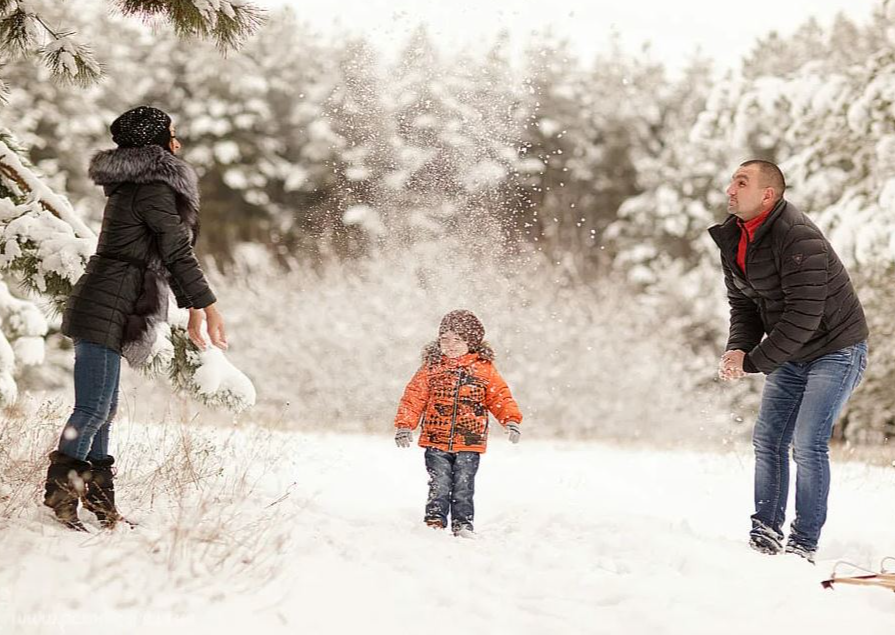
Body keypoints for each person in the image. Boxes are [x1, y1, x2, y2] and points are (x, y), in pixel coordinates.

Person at [43, 106, 227, 531]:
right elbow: (177, 252)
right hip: (107, 301)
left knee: (104, 409)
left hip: (118, 301)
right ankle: (60, 492)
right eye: (171, 133)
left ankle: (100, 498)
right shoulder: (152, 190)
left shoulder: (139, 187)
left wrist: (194, 308)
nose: (177, 141)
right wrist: (208, 306)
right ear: (156, 142)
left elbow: (167, 255)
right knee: (92, 408)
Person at [710, 159, 868, 563]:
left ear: (768, 194)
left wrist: (755, 362)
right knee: (768, 440)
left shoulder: (797, 237)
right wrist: (739, 348)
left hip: (836, 349)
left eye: (741, 182)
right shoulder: (736, 237)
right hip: (792, 351)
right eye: (732, 180)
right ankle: (765, 533)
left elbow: (804, 314)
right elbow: (743, 303)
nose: (730, 189)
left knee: (808, 443)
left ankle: (804, 543)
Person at [394, 310, 522, 537]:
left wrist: (510, 420)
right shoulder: (431, 368)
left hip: (470, 439)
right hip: (436, 438)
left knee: (463, 486)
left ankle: (463, 524)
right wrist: (405, 424)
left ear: (471, 343)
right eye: (444, 339)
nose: (450, 345)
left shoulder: (484, 370)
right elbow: (414, 397)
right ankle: (434, 520)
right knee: (439, 483)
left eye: (457, 340)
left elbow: (500, 396)